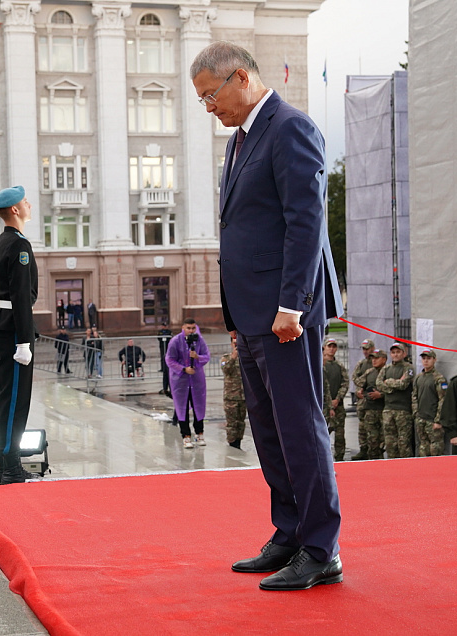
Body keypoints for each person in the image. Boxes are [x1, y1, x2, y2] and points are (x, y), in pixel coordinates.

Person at [193, 41, 343, 590]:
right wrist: (236, 317)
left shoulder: (290, 127)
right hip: (252, 313)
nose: (209, 107)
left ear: (241, 78)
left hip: (286, 313)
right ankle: (289, 532)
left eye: (211, 95)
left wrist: (290, 305)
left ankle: (321, 547)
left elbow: (307, 222)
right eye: (202, 100)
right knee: (269, 430)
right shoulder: (241, 140)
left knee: (300, 426)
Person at [0, 185, 38, 484]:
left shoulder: (1, 243)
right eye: (25, 202)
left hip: (2, 324)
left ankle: (9, 460)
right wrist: (23, 340)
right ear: (16, 210)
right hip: (12, 331)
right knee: (15, 400)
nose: (29, 204)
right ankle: (9, 467)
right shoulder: (19, 246)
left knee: (5, 398)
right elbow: (21, 295)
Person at [165, 319, 210, 448]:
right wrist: (183, 369)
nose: (191, 331)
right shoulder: (175, 341)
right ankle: (186, 436)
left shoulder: (199, 340)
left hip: (197, 380)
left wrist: (197, 357)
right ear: (183, 327)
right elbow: (169, 359)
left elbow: (206, 356)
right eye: (188, 328)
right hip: (180, 381)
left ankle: (199, 432)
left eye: (193, 328)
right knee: (182, 407)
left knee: (199, 406)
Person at [376, 342, 414, 458]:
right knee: (390, 443)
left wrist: (389, 382)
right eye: (393, 352)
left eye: (398, 352)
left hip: (403, 410)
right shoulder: (386, 368)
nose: (395, 355)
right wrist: (393, 387)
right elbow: (378, 384)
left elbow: (403, 384)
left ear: (403, 353)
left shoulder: (408, 367)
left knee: (403, 443)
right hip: (388, 409)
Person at [412, 349, 447, 457]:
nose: (426, 361)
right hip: (421, 419)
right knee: (422, 448)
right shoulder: (418, 377)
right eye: (424, 359)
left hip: (432, 420)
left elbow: (443, 400)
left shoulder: (439, 378)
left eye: (429, 358)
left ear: (434, 360)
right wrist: (416, 414)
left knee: (435, 449)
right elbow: (414, 396)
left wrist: (438, 420)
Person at [354, 350, 387, 459]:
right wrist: (360, 390)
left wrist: (381, 394)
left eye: (377, 358)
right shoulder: (370, 372)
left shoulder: (388, 371)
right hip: (370, 409)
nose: (374, 360)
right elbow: (358, 381)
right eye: (373, 358)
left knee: (383, 440)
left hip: (384, 409)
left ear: (384, 359)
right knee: (372, 440)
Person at [322, 338, 350, 462]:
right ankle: (324, 459)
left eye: (334, 346)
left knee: (339, 435)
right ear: (325, 348)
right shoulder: (321, 366)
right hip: (324, 407)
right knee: (323, 434)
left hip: (338, 406)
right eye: (329, 346)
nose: (332, 349)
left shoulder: (339, 366)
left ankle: (340, 458)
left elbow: (345, 383)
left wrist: (338, 398)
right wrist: (329, 404)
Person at [350, 339, 376, 460]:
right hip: (362, 400)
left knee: (373, 427)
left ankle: (374, 450)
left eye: (367, 349)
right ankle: (363, 449)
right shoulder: (361, 364)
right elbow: (354, 377)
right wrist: (359, 388)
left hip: (373, 399)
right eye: (364, 349)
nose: (365, 351)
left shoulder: (376, 363)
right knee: (362, 425)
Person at [221, 335, 247, 449]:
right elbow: (226, 370)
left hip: (243, 396)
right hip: (231, 396)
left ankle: (239, 442)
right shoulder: (226, 358)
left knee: (241, 422)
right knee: (232, 422)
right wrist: (233, 357)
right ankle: (232, 443)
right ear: (231, 344)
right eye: (234, 344)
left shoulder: (246, 358)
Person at [157, 322, 173, 396]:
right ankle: (162, 368)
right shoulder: (160, 331)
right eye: (163, 326)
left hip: (167, 346)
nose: (164, 327)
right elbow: (158, 337)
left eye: (165, 326)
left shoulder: (169, 331)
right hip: (162, 346)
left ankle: (170, 388)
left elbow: (171, 337)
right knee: (162, 358)